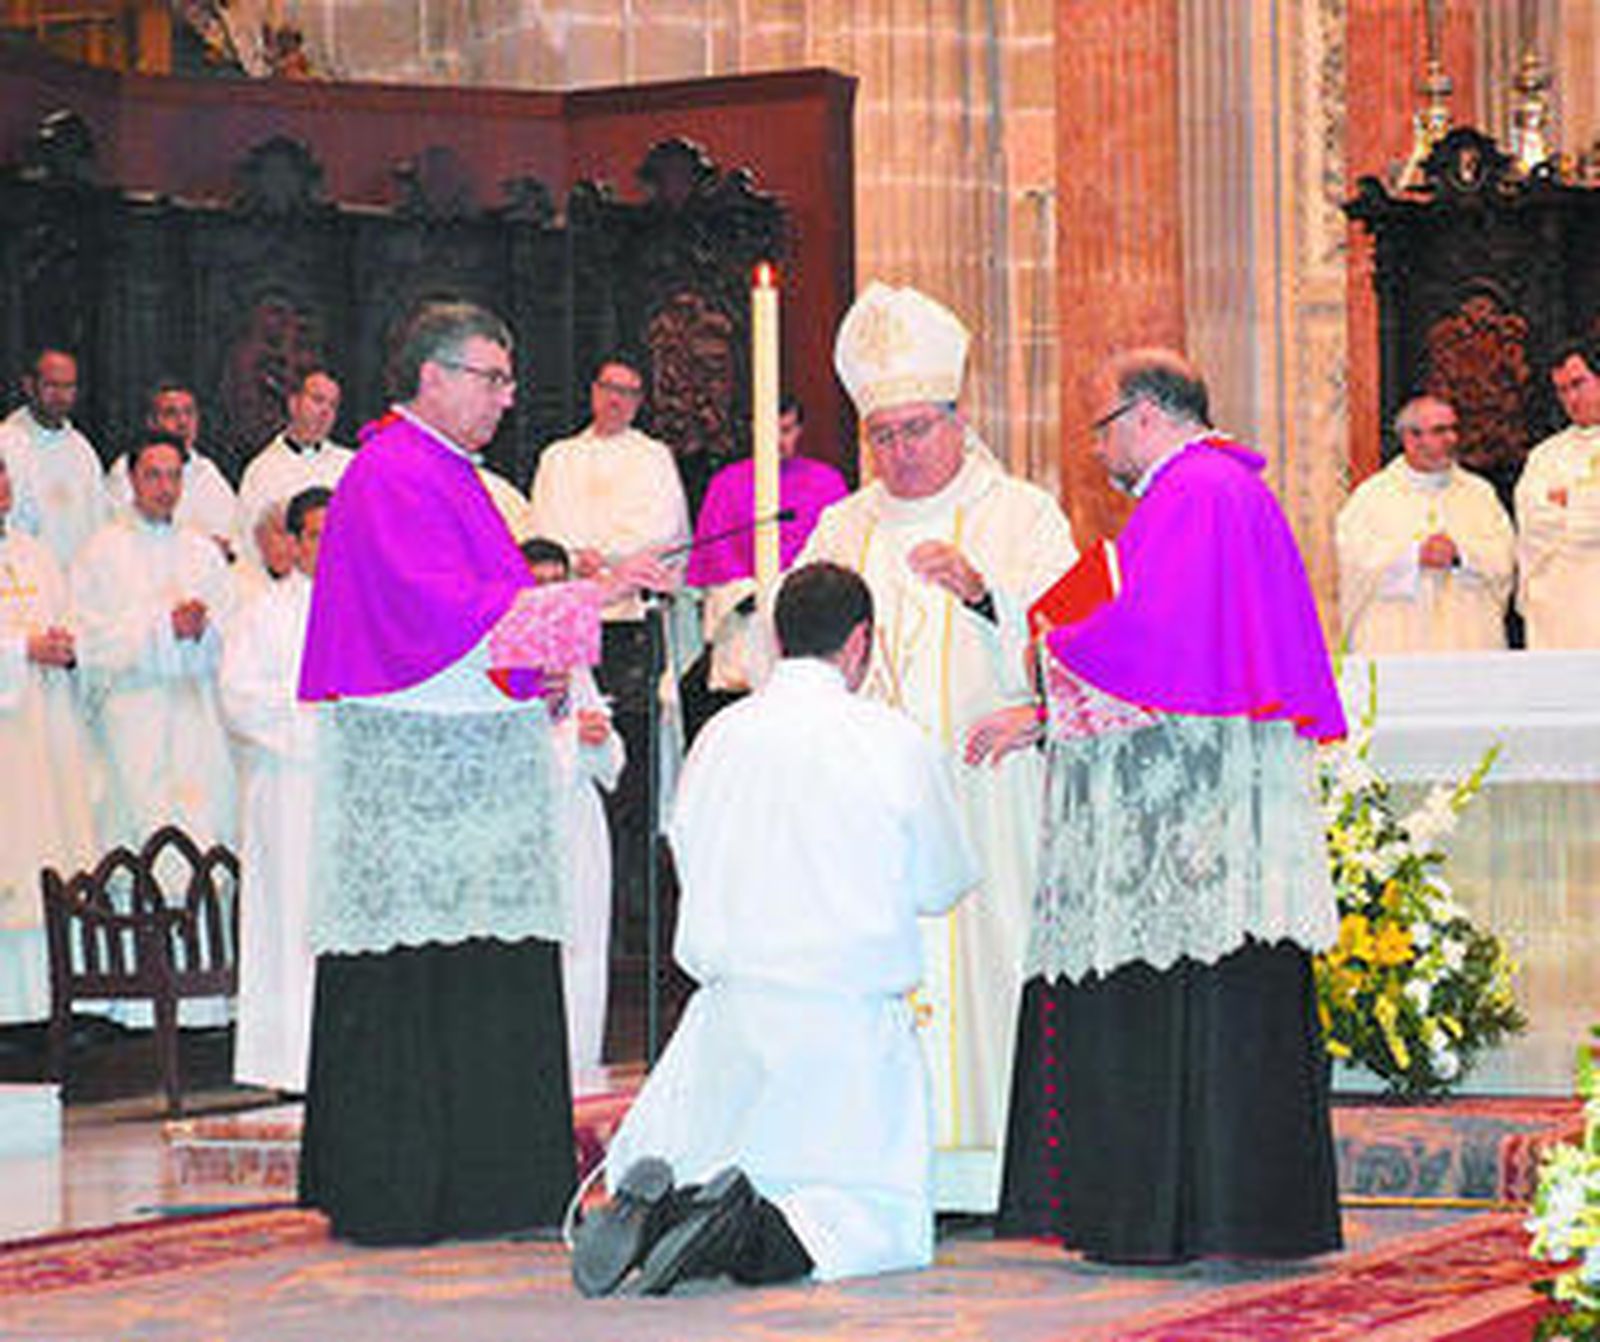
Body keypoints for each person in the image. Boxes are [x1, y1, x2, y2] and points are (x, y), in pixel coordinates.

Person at [980, 349, 1344, 1265]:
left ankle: (1171, 1216)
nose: (1099, 449)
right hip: (1216, 806)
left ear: (1145, 416)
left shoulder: (1193, 494)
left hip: (1189, 817)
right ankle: (1236, 1215)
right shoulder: (1227, 488)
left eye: (1102, 427)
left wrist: (1046, 666)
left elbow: (1153, 646)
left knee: (1183, 991)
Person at [296, 300, 614, 1246]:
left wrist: (543, 653)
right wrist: (582, 599)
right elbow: (436, 611)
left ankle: (493, 1183)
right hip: (417, 779)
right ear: (431, 377)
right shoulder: (393, 470)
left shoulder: (454, 475)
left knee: (481, 966)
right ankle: (409, 1188)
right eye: (492, 378)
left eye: (509, 380)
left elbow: (491, 611)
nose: (507, 399)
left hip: (470, 772)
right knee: (422, 973)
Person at [574, 562, 977, 1297]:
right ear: (860, 642)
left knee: (705, 1144)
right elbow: (943, 879)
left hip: (729, 1017)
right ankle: (742, 1226)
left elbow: (685, 850)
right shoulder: (890, 738)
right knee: (858, 1215)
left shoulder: (722, 736)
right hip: (841, 1023)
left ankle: (664, 1206)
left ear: (779, 637)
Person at [796, 282, 1077, 1210]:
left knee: (990, 963)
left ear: (959, 420)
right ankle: (890, 1164)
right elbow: (792, 652)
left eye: (916, 430)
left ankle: (1003, 1170)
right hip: (870, 810)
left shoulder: (1021, 514)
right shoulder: (842, 527)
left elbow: (1084, 645)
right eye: (882, 435)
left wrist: (990, 598)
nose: (900, 453)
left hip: (984, 792)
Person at [527, 353, 689, 945]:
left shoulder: (653, 458)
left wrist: (607, 559)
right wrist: (581, 560)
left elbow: (664, 530)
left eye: (629, 392)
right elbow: (542, 536)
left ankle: (636, 911)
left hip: (627, 628)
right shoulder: (559, 458)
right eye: (608, 388)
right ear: (592, 392)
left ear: (640, 401)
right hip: (564, 629)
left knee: (631, 768)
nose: (617, 399)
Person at [71, 432, 236, 854]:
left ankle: (198, 919)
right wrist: (164, 630)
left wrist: (204, 630)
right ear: (131, 479)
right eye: (153, 476)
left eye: (174, 477)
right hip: (133, 718)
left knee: (201, 834)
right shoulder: (101, 552)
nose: (165, 488)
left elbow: (234, 633)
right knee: (137, 836)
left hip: (195, 716)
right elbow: (87, 643)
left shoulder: (203, 551)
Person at [219, 486, 330, 1095]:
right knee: (290, 922)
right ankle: (290, 1063)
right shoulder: (264, 613)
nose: (330, 547)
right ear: (291, 544)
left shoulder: (370, 608)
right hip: (289, 790)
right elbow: (239, 702)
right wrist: (315, 723)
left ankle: (348, 1057)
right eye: (316, 535)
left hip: (348, 795)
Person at [520, 536, 624, 1085]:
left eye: (558, 585)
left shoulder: (575, 662)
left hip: (581, 819)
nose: (550, 597)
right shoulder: (502, 658)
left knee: (586, 943)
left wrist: (597, 737)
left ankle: (582, 1067)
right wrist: (567, 740)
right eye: (537, 586)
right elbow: (503, 752)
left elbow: (612, 758)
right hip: (533, 827)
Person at [683, 394, 848, 730]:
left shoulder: (827, 482)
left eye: (787, 430)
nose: (778, 441)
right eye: (770, 430)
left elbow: (842, 552)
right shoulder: (727, 484)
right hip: (747, 620)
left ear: (800, 430)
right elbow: (716, 558)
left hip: (811, 623)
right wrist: (755, 593)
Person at [0, 449, 97, 1023]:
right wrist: (20, 652)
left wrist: (66, 646)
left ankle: (47, 1010)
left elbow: (74, 625)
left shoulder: (36, 556)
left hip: (43, 731)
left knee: (46, 861)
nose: (1, 485)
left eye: (4, 473)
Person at [1336, 395, 1515, 652]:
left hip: (1468, 639)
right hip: (1397, 639)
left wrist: (1461, 556)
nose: (1451, 439)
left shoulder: (1480, 494)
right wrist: (1413, 556)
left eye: (1454, 429)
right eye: (1441, 431)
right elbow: (1355, 562)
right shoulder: (1372, 497)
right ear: (1411, 439)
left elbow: (1504, 558)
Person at [1515, 339, 1600, 648]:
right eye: (1562, 391)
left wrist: (1572, 503)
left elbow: (1562, 523)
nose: (1571, 399)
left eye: (1578, 384)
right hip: (1562, 608)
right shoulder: (1545, 458)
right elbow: (1535, 525)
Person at [107, 380, 240, 562]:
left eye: (189, 413)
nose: (183, 422)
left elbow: (232, 538)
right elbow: (122, 532)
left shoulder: (208, 473)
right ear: (152, 422)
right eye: (171, 413)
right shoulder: (126, 470)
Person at [0, 347, 109, 567]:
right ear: (29, 386)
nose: (60, 396)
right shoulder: (6, 442)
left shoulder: (82, 450)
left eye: (68, 386)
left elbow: (99, 524)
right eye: (51, 385)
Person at [235, 368, 353, 571]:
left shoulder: (350, 465)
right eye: (317, 400)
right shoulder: (262, 471)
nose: (325, 411)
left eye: (332, 405)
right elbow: (247, 546)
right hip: (284, 591)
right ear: (293, 404)